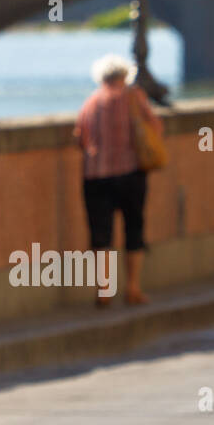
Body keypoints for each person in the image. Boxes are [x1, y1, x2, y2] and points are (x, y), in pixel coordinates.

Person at [73, 54, 162, 307]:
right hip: (131, 173)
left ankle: (104, 289)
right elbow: (155, 127)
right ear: (124, 75)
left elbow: (80, 137)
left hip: (96, 176)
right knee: (134, 228)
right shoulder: (134, 97)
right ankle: (133, 287)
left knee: (101, 234)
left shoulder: (91, 102)